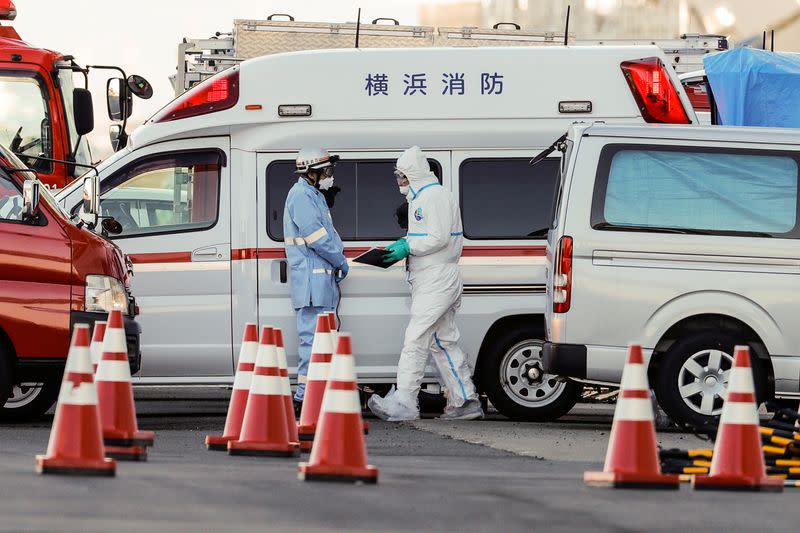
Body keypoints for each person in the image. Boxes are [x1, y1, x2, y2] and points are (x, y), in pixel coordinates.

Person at [368, 146, 483, 421]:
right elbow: (435, 237)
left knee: (416, 338)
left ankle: (405, 401)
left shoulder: (429, 198)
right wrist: (406, 245)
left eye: (401, 175)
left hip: (436, 279)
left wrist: (407, 246)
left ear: (413, 173)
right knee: (443, 341)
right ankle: (464, 399)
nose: (399, 181)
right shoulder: (430, 196)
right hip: (438, 277)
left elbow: (438, 237)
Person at [284, 147, 348, 413]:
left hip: (319, 281)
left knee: (322, 339)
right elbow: (317, 237)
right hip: (312, 281)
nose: (329, 176)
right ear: (311, 173)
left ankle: (316, 394)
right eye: (326, 171)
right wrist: (339, 260)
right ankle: (303, 397)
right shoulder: (301, 195)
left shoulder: (312, 195)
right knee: (312, 339)